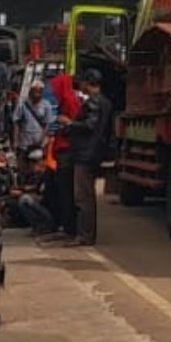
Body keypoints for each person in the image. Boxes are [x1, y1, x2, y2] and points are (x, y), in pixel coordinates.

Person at [59, 68, 112, 247]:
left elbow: (89, 126)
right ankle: (86, 233)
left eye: (81, 82)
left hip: (86, 154)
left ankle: (85, 235)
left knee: (82, 197)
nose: (79, 85)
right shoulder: (105, 102)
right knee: (87, 195)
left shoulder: (94, 102)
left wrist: (70, 123)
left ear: (88, 83)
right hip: (94, 152)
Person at [37, 72, 81, 245]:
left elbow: (74, 127)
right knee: (60, 192)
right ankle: (64, 226)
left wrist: (64, 124)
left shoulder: (70, 102)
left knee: (66, 192)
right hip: (61, 152)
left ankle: (69, 228)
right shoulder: (65, 101)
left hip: (66, 153)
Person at [13, 80, 54, 164]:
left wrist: (42, 139)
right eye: (35, 91)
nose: (37, 94)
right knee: (22, 164)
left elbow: (47, 124)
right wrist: (15, 140)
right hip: (24, 142)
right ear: (31, 91)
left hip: (39, 142)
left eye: (39, 91)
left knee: (38, 165)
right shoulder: (22, 104)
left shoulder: (46, 105)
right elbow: (16, 122)